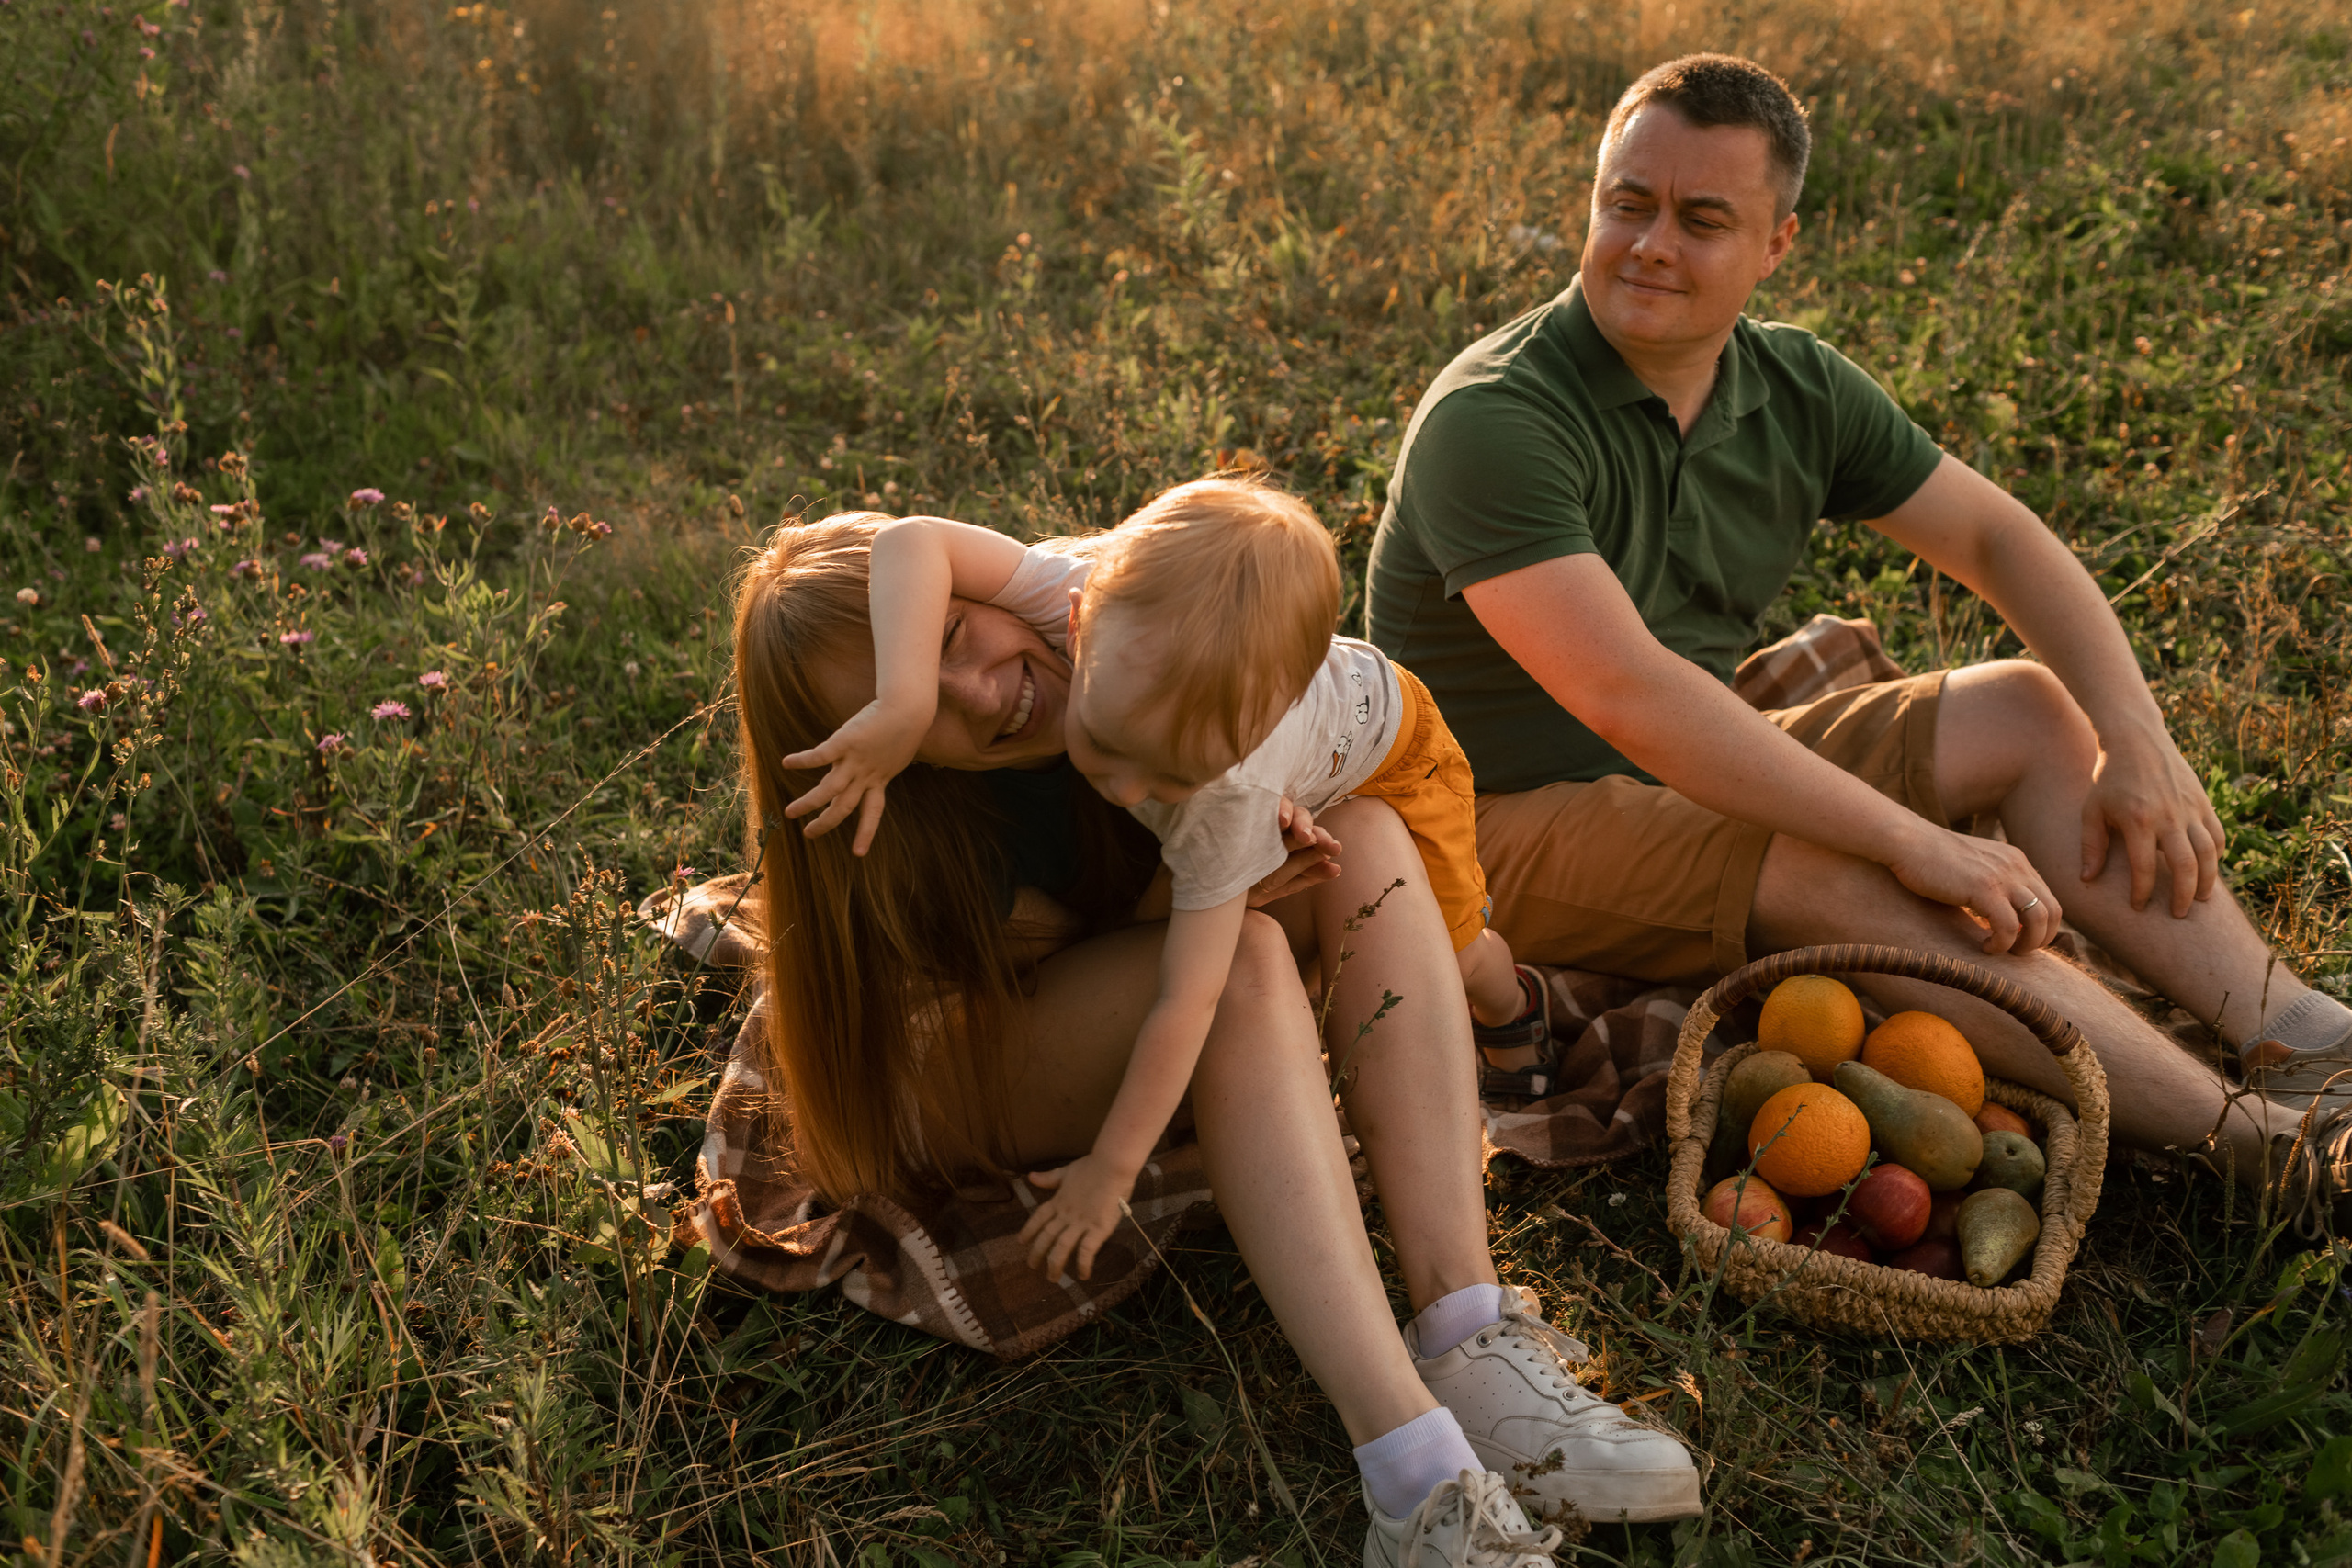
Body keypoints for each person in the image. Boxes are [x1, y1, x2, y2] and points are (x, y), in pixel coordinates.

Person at [1365, 51, 2352, 1230]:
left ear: (1776, 244)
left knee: (2031, 708)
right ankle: (2251, 1147)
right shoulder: (1495, 418)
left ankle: (2298, 1036)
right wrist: (1911, 842)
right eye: (1626, 203)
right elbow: (1626, 693)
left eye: (1701, 218)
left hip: (1666, 764)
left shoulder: (1791, 387)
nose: (1648, 245)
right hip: (1479, 820)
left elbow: (1995, 538)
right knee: (1832, 862)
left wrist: (2134, 732)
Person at [733, 513, 1702, 1564]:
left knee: (1369, 832)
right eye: (903, 698)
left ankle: (1467, 1331)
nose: (975, 690)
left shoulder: (1112, 632)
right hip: (971, 1045)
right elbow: (1084, 967)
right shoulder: (900, 819)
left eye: (951, 638)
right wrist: (1215, 890)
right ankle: (1413, 1477)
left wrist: (1256, 836)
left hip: (1140, 965)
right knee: (1235, 958)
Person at [783, 478, 1545, 1285]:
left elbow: (1188, 995)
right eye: (1106, 748)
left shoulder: (1215, 778)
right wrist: (901, 706)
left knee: (1448, 945)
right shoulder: (1078, 610)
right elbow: (910, 540)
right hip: (1293, 718)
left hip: (1405, 751)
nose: (1124, 791)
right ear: (1083, 625)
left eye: (1165, 778)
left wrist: (1112, 1168)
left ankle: (1509, 1004)